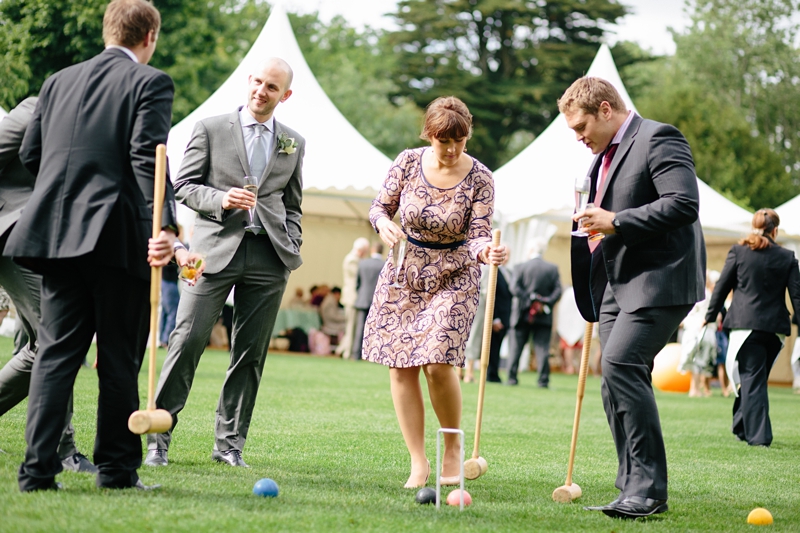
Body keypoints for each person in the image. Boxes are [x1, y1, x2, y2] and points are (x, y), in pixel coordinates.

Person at [3, 0, 195, 491]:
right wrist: (166, 228)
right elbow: (146, 156)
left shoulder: (57, 80)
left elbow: (30, 151)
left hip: (55, 234)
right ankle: (115, 469)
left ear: (109, 30)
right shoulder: (151, 82)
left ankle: (36, 473)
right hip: (115, 237)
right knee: (116, 357)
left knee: (55, 354)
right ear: (149, 35)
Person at [145, 57, 304, 469]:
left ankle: (229, 446)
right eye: (256, 82)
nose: (260, 91)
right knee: (186, 341)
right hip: (210, 253)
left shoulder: (294, 142)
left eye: (271, 87)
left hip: (269, 258)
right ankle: (158, 439)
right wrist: (221, 199)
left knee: (250, 355)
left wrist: (291, 244)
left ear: (284, 95)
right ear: (247, 82)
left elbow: (293, 205)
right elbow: (182, 187)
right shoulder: (210, 128)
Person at [561, 76, 706, 518]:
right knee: (614, 381)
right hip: (614, 285)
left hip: (660, 279)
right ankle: (630, 487)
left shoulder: (658, 137)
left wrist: (616, 220)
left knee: (621, 363)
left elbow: (684, 203)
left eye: (581, 126)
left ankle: (649, 491)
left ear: (606, 109)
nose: (579, 137)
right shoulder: (599, 159)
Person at [362, 96, 507, 489]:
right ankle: (418, 462)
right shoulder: (408, 162)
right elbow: (379, 207)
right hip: (404, 273)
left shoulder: (481, 177)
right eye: (444, 141)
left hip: (454, 276)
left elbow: (478, 232)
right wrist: (383, 226)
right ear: (429, 135)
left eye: (459, 140)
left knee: (439, 362)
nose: (452, 149)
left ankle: (453, 447)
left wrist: (486, 251)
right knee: (401, 366)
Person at [0, 97, 97, 474]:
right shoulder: (35, 109)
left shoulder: (101, 126)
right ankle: (62, 448)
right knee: (58, 337)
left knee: (43, 340)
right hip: (11, 235)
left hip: (53, 244)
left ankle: (55, 444)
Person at [704, 209, 800, 447]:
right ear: (775, 230)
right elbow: (797, 297)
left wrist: (709, 315)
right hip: (774, 330)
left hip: (745, 326)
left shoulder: (738, 252)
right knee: (754, 378)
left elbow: (721, 287)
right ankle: (741, 426)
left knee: (753, 379)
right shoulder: (787, 257)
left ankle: (758, 437)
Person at [506, 240, 562, 387]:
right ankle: (543, 381)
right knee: (542, 348)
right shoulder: (552, 268)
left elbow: (514, 288)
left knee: (516, 348)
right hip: (543, 315)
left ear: (530, 250)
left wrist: (529, 299)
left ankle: (512, 378)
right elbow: (558, 291)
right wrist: (543, 301)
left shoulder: (520, 267)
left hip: (521, 314)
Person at [463, 254, 513, 384]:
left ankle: (474, 373)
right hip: (481, 310)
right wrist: (493, 317)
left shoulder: (507, 271)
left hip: (485, 311)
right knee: (474, 340)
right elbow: (486, 293)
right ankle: (467, 372)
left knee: (480, 343)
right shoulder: (485, 268)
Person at [337, 238, 370, 357]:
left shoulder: (356, 259)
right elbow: (357, 276)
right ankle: (347, 352)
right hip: (351, 297)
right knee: (351, 327)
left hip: (353, 297)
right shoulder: (352, 260)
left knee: (353, 326)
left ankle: (344, 350)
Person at [351, 242, 384, 361]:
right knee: (376, 329)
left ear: (372, 250)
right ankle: (373, 355)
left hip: (363, 299)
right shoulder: (384, 264)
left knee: (360, 328)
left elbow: (357, 283)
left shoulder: (363, 263)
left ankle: (355, 354)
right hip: (378, 301)